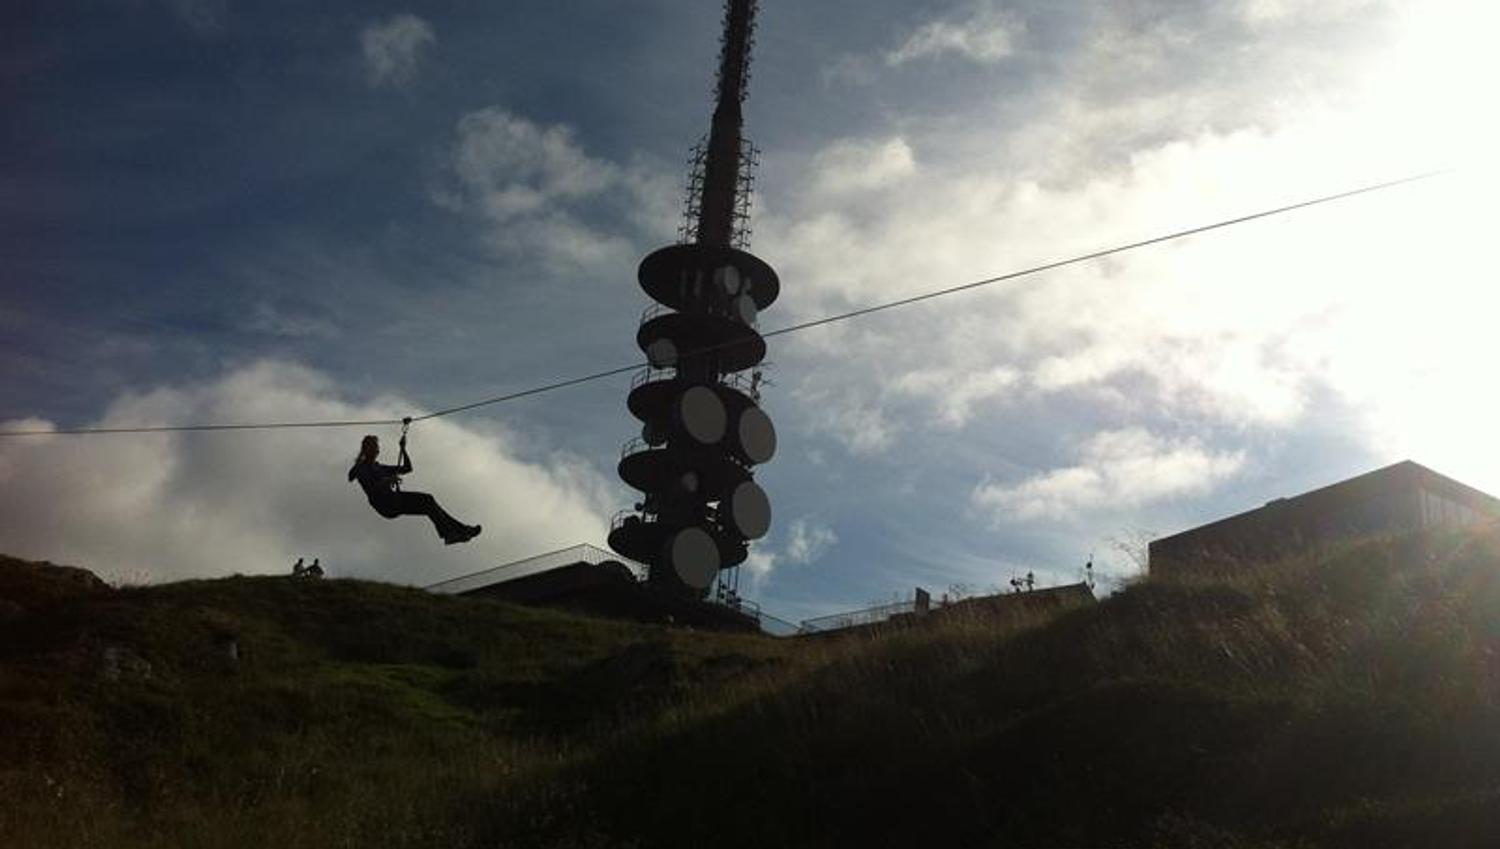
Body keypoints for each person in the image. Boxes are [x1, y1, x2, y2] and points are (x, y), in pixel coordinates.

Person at [348, 433, 481, 544]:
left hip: (393, 502)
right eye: (374, 447)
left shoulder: (380, 467)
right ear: (367, 450)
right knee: (427, 500)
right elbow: (371, 488)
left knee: (430, 505)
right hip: (386, 504)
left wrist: (403, 449)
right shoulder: (362, 468)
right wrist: (387, 480)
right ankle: (451, 533)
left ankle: (459, 531)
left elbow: (407, 468)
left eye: (377, 448)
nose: (377, 451)